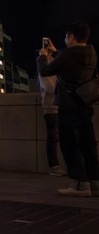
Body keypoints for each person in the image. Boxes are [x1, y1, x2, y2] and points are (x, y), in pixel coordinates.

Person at [38, 22, 99, 197]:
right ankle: (94, 183)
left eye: (67, 36)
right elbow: (70, 64)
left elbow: (46, 71)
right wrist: (56, 51)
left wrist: (42, 56)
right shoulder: (92, 53)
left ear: (71, 36)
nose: (66, 39)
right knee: (89, 145)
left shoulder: (69, 54)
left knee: (70, 145)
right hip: (86, 104)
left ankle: (79, 185)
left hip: (68, 106)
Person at [38, 58, 66, 176]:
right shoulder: (44, 71)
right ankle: (54, 166)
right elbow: (50, 88)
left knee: (58, 137)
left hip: (59, 107)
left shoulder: (55, 71)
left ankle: (57, 165)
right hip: (50, 108)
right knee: (53, 137)